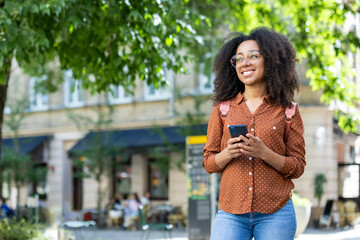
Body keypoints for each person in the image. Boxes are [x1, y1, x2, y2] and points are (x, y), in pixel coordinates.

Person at [202, 27, 306, 240]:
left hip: (276, 213)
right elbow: (208, 162)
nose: (244, 63)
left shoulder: (288, 111)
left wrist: (264, 152)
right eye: (238, 59)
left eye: (253, 56)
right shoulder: (223, 110)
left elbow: (297, 167)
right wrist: (228, 153)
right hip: (231, 213)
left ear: (272, 61)